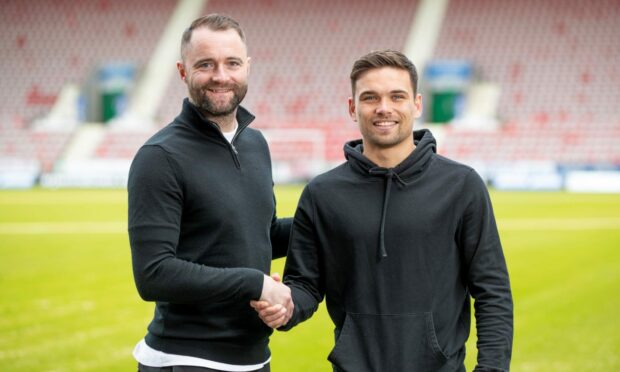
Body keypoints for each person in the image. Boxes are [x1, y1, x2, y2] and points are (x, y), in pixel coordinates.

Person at [252, 50, 513, 371]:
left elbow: (493, 292)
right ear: (352, 107)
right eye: (370, 97)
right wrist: (285, 306)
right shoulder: (322, 194)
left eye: (397, 96)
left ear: (417, 104)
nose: (384, 108)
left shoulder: (461, 185)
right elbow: (305, 285)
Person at [128, 14, 293, 372]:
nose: (221, 76)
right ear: (183, 71)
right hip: (187, 360)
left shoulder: (255, 144)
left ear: (247, 67)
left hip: (253, 357)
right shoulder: (159, 157)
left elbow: (259, 235)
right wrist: (254, 283)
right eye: (206, 64)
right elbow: (153, 273)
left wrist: (330, 215)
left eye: (232, 63)